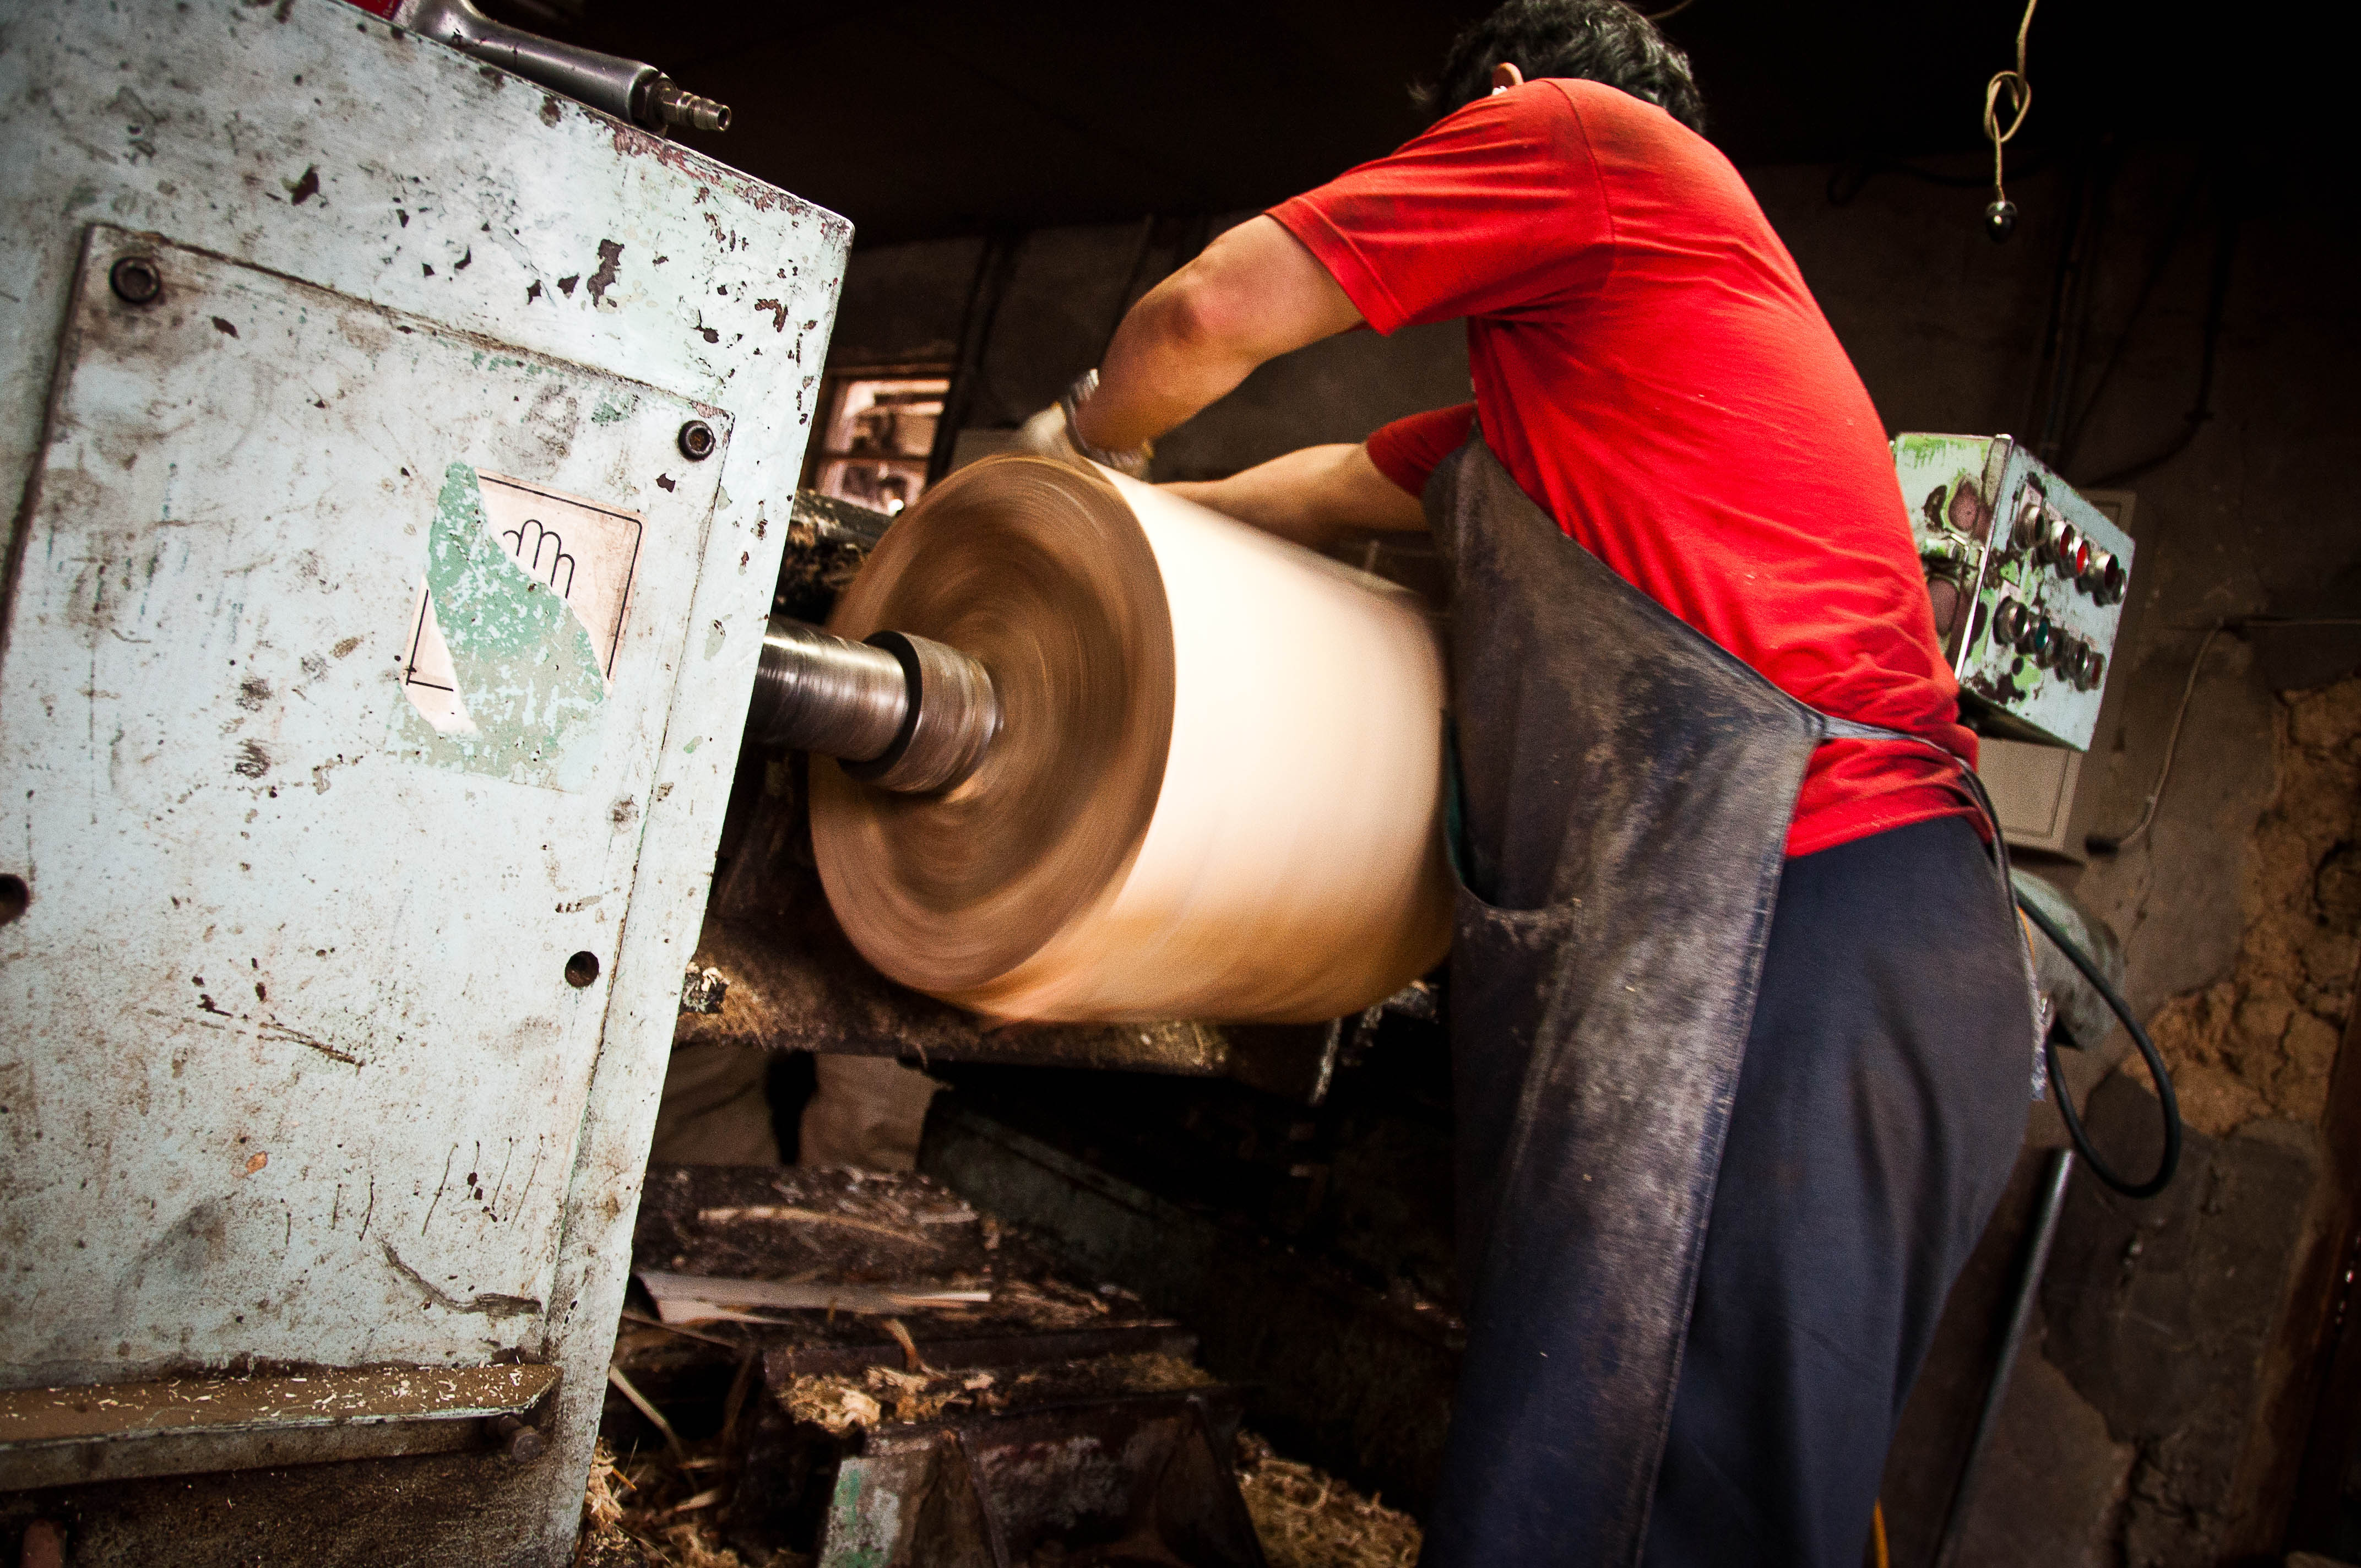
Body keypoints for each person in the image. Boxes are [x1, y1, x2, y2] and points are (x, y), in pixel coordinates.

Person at [1020, 2, 2038, 1562]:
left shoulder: (1586, 138)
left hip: (1800, 919)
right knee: (1651, 1492)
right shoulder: (1586, 399)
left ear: (1495, 100)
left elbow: (1207, 317)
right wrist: (1139, 524)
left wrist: (1077, 442)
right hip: (1835, 939)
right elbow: (1334, 480)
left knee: (1646, 1504)